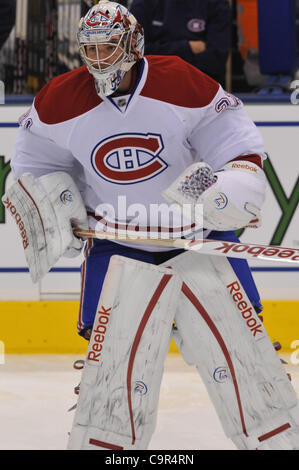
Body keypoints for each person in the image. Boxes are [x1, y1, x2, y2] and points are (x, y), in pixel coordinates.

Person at [4, 1, 299, 451]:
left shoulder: (179, 79)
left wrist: (236, 183)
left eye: (110, 46)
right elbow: (36, 162)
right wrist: (53, 204)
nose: (99, 58)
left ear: (134, 43)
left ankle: (277, 440)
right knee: (113, 375)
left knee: (248, 361)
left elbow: (234, 141)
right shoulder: (60, 98)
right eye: (91, 48)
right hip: (117, 243)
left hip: (198, 238)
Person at [130, 0, 231, 86]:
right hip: (151, 91)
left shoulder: (216, 3)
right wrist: (187, 47)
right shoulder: (144, 3)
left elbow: (216, 61)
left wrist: (158, 53)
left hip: (201, 93)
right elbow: (133, 55)